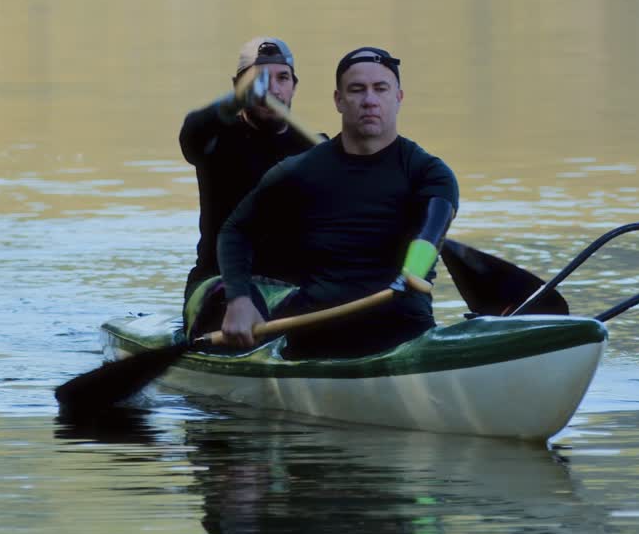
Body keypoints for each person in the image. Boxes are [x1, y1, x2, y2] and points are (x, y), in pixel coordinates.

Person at [216, 47, 459, 359]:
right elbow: (235, 231)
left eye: (380, 89)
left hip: (401, 329)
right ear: (339, 101)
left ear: (398, 97)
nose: (369, 100)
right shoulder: (299, 170)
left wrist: (412, 272)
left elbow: (432, 232)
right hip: (315, 336)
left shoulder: (430, 172)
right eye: (357, 90)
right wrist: (238, 299)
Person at [178, 36, 316, 305]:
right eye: (259, 80)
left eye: (282, 78)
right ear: (237, 87)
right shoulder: (214, 139)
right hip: (217, 284)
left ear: (294, 86)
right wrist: (236, 101)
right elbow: (192, 132)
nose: (271, 89)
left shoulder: (315, 148)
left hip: (290, 288)